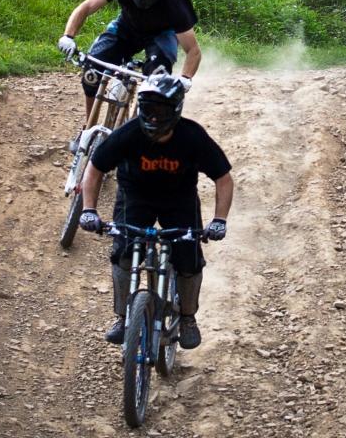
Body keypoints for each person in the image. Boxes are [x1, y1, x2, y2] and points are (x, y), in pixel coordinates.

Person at [77, 73, 234, 350]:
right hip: (135, 196)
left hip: (179, 200)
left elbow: (223, 178)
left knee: (188, 259)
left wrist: (219, 220)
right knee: (123, 254)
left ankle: (187, 318)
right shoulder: (128, 133)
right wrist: (89, 210)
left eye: (159, 110)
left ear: (175, 110)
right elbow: (95, 168)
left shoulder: (192, 136)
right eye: (147, 109)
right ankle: (123, 317)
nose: (151, 117)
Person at [57, 0, 202, 136]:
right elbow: (87, 7)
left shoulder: (175, 1)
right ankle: (88, 127)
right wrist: (68, 36)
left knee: (157, 86)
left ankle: (141, 134)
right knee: (91, 73)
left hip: (161, 36)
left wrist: (185, 79)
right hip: (125, 28)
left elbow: (193, 50)